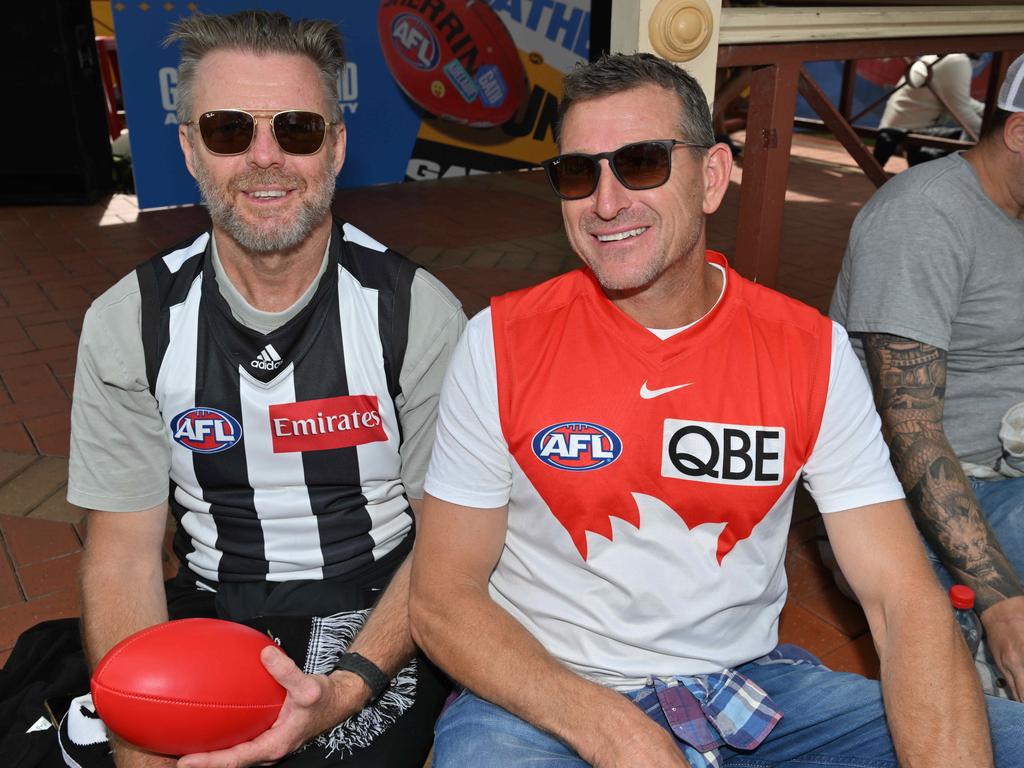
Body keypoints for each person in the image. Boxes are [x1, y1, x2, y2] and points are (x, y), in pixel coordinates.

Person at [408, 52, 1024, 768]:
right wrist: (613, 729)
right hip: (548, 695)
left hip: (747, 685)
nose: (606, 202)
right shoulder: (500, 341)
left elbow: (901, 597)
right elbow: (442, 599)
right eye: (580, 173)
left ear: (711, 177)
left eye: (640, 163)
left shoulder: (809, 350)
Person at [66, 10, 465, 768]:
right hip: (214, 602)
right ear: (189, 149)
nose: (265, 158)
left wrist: (349, 686)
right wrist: (143, 745)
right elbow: (121, 556)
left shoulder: (419, 314)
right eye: (227, 131)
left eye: (298, 130)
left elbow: (448, 544)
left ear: (337, 147)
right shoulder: (130, 322)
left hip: (380, 603)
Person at [831, 53, 1024, 703]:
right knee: (973, 705)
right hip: (926, 487)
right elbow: (910, 432)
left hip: (1005, 463)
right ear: (1020, 134)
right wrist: (1001, 604)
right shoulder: (925, 217)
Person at [873, 53, 984, 167]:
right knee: (968, 136)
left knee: (967, 132)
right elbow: (961, 111)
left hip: (896, 128)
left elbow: (957, 98)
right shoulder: (959, 61)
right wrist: (988, 134)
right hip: (910, 132)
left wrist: (987, 111)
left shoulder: (942, 57)